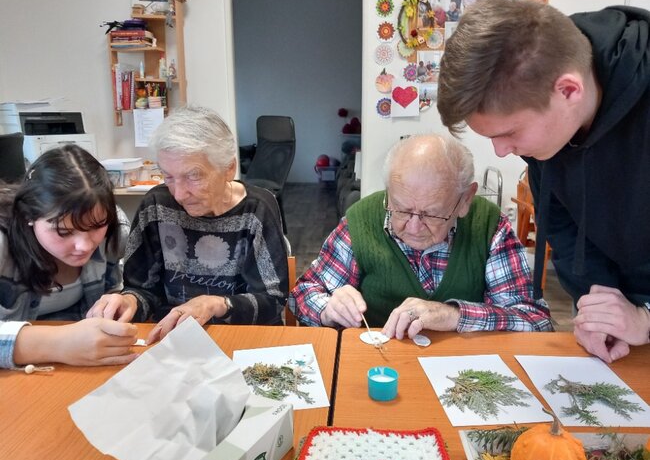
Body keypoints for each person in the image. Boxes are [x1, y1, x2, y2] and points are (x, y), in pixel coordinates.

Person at [437, 0, 650, 362]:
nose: (501, 152)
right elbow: (564, 229)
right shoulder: (543, 128)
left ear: (568, 91)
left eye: (509, 132)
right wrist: (601, 313)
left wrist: (646, 318)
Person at [289, 134, 552, 338]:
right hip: (378, 371)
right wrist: (328, 308)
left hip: (465, 376)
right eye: (401, 210)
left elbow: (534, 321)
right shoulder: (362, 220)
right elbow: (302, 294)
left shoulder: (489, 226)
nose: (413, 227)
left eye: (431, 215)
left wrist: (453, 316)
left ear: (465, 200)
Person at [88, 106, 289, 344]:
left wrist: (217, 304)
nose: (180, 194)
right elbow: (142, 291)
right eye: (168, 177)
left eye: (194, 176)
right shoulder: (156, 206)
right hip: (172, 340)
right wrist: (128, 302)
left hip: (242, 339)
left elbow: (273, 301)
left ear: (229, 169)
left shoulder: (257, 209)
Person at [0, 145, 136, 369]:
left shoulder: (114, 228)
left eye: (96, 226)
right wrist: (58, 344)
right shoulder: (3, 242)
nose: (84, 246)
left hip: (81, 371)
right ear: (28, 215)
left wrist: (118, 300)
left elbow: (114, 289)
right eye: (63, 231)